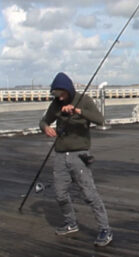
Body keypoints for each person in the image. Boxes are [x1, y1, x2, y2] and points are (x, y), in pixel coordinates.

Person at [39, 72, 113, 247]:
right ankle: (70, 223)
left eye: (62, 94)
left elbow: (100, 120)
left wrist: (78, 111)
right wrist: (45, 128)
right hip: (60, 154)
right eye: (57, 95)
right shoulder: (56, 104)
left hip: (79, 155)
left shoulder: (84, 100)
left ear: (69, 90)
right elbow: (43, 121)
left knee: (89, 193)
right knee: (60, 193)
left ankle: (105, 229)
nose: (60, 98)